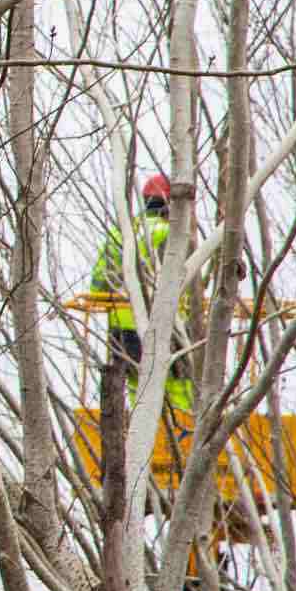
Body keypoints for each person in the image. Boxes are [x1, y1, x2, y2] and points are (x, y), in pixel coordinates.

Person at [93, 173, 194, 412]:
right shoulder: (174, 235)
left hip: (123, 329)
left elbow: (97, 283)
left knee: (138, 387)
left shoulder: (122, 234)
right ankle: (182, 435)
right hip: (167, 325)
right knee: (178, 384)